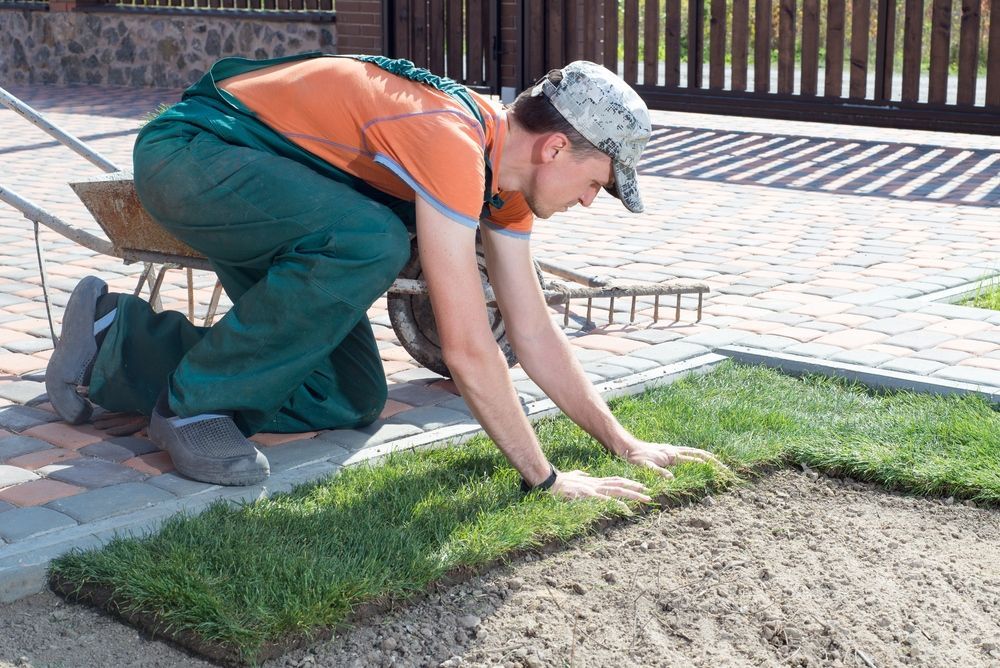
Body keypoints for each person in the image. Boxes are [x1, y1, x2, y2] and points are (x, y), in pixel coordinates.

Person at [45, 53, 725, 500]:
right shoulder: (451, 140)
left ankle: (113, 341)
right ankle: (191, 408)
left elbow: (532, 329)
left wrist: (624, 443)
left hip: (278, 193)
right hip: (196, 155)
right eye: (596, 184)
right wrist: (545, 480)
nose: (586, 201)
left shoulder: (507, 185)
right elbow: (466, 345)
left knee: (350, 397)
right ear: (555, 147)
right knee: (370, 239)